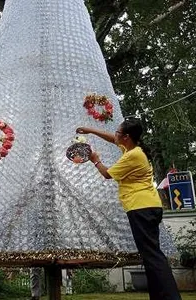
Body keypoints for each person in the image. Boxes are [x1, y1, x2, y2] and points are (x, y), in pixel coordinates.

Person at [76, 118, 181, 300]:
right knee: (150, 255)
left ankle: (170, 297)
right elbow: (112, 139)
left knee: (153, 256)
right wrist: (91, 130)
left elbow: (107, 174)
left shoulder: (133, 156)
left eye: (118, 132)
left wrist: (95, 160)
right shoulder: (133, 148)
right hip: (147, 206)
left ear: (126, 137)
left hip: (141, 208)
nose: (115, 135)